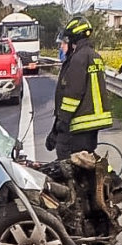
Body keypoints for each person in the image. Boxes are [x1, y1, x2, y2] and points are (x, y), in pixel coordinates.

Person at [45, 15, 113, 159]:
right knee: (86, 160)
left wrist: (61, 123)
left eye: (64, 43)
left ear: (73, 40)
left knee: (67, 159)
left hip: (80, 122)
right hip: (92, 122)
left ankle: (79, 182)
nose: (62, 47)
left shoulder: (78, 59)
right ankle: (101, 180)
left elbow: (73, 94)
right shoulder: (94, 56)